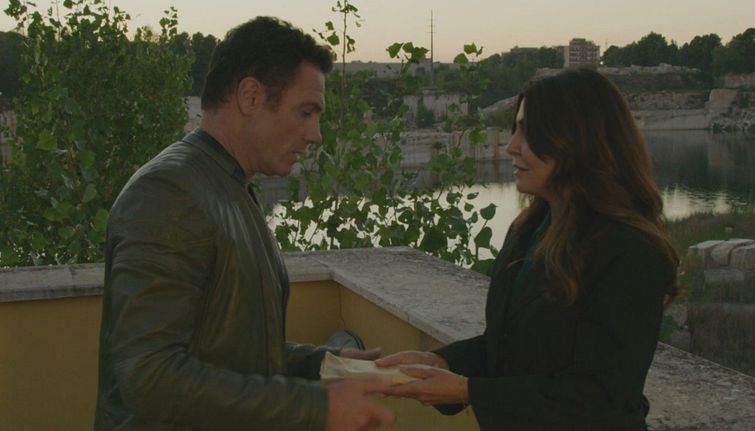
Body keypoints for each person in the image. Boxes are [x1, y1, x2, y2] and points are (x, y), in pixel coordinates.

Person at [93, 17, 394, 431]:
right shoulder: (169, 192)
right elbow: (150, 377)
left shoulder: (226, 186)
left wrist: (328, 366)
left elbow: (230, 353)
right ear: (250, 97)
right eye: (306, 112)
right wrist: (315, 407)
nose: (316, 135)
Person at [376, 68, 680, 431]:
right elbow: (509, 346)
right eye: (515, 129)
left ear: (578, 141)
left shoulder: (630, 251)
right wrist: (442, 363)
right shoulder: (531, 229)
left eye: (528, 132)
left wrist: (467, 391)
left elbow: (602, 397)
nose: (511, 146)